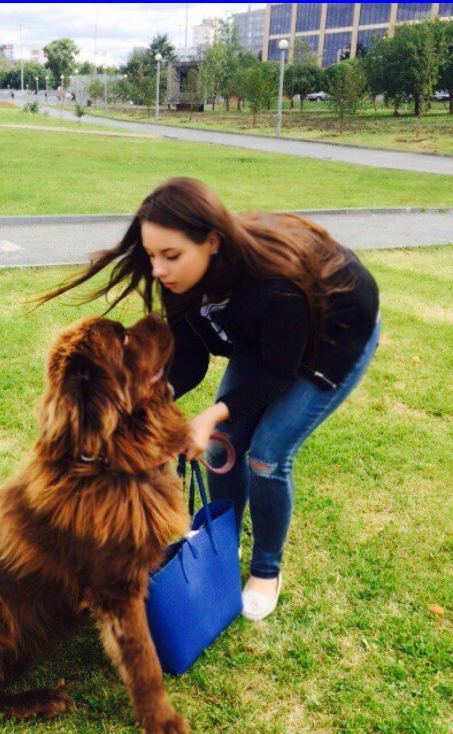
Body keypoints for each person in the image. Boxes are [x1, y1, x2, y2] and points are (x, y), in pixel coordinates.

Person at [36, 177, 380, 621]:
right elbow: (191, 355)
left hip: (335, 336)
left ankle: (266, 570)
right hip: (268, 338)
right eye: (152, 255)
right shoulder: (178, 280)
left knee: (267, 455)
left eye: (171, 255)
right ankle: (224, 542)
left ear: (211, 242)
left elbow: (278, 374)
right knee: (223, 442)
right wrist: (150, 403)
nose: (158, 269)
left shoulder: (273, 288)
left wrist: (211, 414)